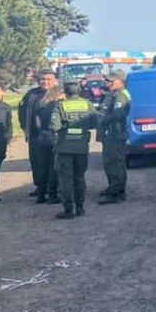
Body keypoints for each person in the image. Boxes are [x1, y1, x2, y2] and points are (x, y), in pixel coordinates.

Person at [50, 81, 100, 219]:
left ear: (65, 92)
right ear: (78, 90)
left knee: (66, 179)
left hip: (64, 147)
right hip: (81, 147)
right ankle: (80, 208)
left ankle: (68, 210)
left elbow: (54, 126)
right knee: (79, 178)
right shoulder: (87, 104)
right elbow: (94, 123)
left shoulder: (60, 105)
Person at [18, 70, 57, 197]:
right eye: (43, 79)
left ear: (54, 80)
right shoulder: (32, 94)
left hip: (54, 135)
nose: (45, 81)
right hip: (36, 135)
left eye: (48, 79)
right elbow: (22, 110)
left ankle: (54, 188)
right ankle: (40, 187)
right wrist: (25, 127)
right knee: (36, 161)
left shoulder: (59, 93)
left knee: (53, 162)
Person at [97, 70, 132, 205]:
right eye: (107, 81)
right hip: (114, 134)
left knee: (113, 163)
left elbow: (118, 115)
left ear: (120, 82)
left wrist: (102, 118)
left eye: (111, 81)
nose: (108, 83)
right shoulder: (116, 94)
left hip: (114, 135)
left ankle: (115, 193)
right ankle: (116, 189)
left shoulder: (121, 96)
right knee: (117, 163)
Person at [34, 84, 65, 204]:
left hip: (42, 138)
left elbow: (38, 124)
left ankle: (41, 195)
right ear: (58, 94)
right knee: (54, 167)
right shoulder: (59, 106)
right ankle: (53, 195)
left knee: (43, 166)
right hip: (54, 138)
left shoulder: (42, 106)